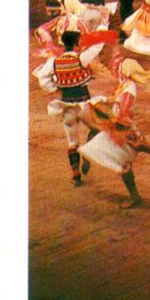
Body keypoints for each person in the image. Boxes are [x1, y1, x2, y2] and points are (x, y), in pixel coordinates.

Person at [79, 58, 150, 209]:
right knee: (96, 141)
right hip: (122, 126)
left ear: (127, 71)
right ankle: (134, 195)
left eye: (120, 67)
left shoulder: (129, 88)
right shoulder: (124, 86)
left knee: (122, 164)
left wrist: (114, 124)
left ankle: (134, 196)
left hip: (124, 128)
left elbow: (125, 110)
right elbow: (117, 102)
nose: (118, 69)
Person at [33, 31, 109, 186]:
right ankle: (87, 155)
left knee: (72, 142)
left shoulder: (55, 60)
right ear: (77, 43)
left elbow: (43, 78)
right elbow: (97, 47)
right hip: (83, 104)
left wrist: (56, 87)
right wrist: (104, 27)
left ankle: (76, 176)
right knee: (99, 128)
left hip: (67, 106)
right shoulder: (81, 58)